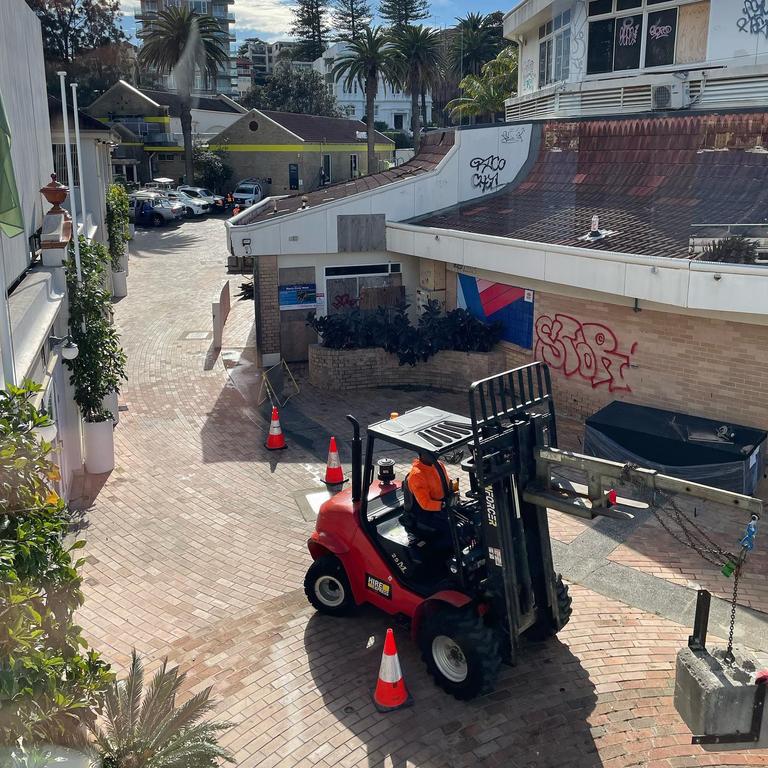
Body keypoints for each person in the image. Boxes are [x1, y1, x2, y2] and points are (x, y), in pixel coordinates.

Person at [407, 451, 453, 548]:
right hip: (426, 513)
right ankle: (446, 557)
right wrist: (443, 505)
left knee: (466, 516)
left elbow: (447, 483)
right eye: (432, 453)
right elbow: (425, 503)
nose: (436, 455)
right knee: (451, 529)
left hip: (442, 505)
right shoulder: (417, 475)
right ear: (423, 454)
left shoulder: (438, 465)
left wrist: (454, 491)